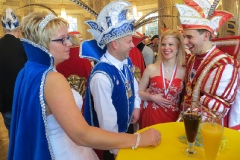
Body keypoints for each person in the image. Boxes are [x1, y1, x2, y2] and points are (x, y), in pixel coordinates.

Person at [8, 12, 161, 159]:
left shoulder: (29, 69)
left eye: (68, 37)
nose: (69, 43)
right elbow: (82, 134)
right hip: (62, 151)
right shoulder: (53, 79)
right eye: (62, 39)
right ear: (44, 44)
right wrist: (138, 139)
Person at [81, 0, 143, 159]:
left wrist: (135, 106)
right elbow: (107, 122)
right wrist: (117, 152)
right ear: (115, 44)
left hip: (126, 132)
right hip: (112, 144)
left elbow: (133, 85)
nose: (132, 45)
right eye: (128, 41)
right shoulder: (101, 76)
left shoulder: (125, 61)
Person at [175, 0, 240, 127]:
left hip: (208, 129)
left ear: (206, 35)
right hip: (188, 122)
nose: (185, 42)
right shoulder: (192, 58)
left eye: (189, 37)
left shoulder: (225, 65)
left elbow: (214, 110)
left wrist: (181, 125)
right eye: (184, 37)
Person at [138, 30, 186, 129]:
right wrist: (152, 97)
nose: (166, 48)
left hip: (173, 117)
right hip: (152, 116)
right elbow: (138, 92)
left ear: (178, 48)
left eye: (171, 44)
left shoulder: (184, 72)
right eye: (163, 44)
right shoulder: (151, 68)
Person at [0, 7, 27, 137]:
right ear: (18, 29)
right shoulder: (24, 46)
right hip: (23, 100)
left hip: (5, 103)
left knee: (13, 135)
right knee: (25, 136)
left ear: (3, 29)